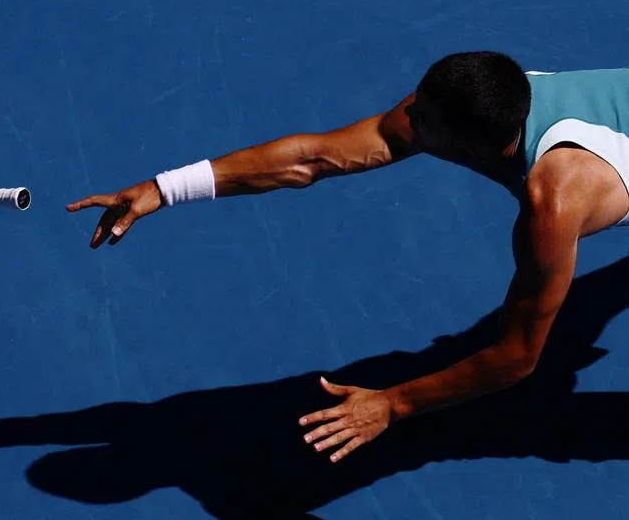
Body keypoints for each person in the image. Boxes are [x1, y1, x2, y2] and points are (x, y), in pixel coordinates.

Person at [66, 51, 629, 463]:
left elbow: (515, 357)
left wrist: (393, 403)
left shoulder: (553, 204)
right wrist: (164, 188)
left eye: (423, 122)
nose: (406, 120)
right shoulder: (471, 104)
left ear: (471, 146)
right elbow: (314, 158)